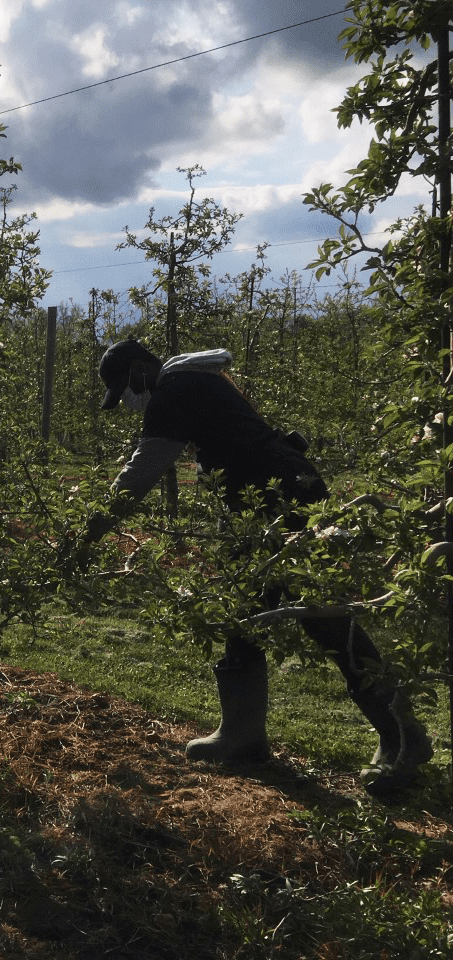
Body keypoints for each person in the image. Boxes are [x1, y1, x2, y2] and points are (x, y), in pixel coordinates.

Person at [81, 338, 432, 798]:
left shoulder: (174, 389)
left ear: (140, 370)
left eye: (127, 389)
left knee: (320, 615)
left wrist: (93, 527)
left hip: (282, 505)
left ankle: (402, 738)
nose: (132, 400)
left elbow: (144, 468)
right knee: (245, 610)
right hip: (274, 502)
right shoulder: (193, 381)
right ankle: (241, 736)